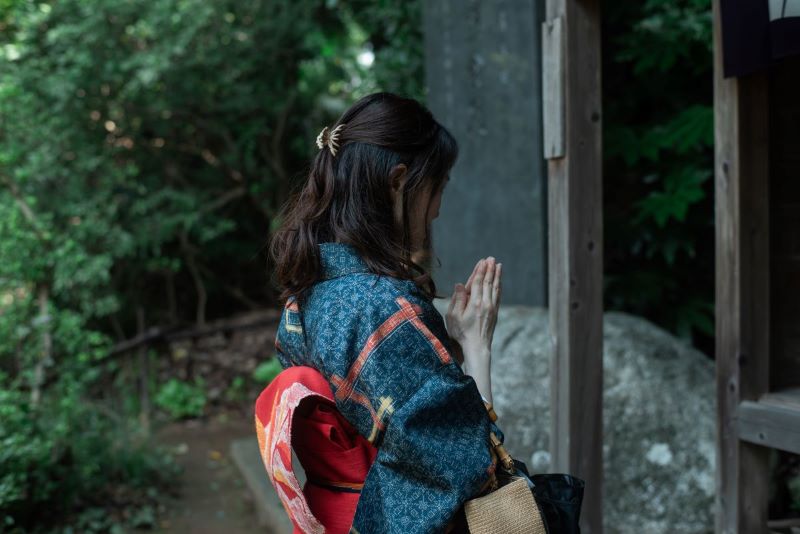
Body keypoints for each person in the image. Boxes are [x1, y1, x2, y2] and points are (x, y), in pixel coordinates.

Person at [264, 91, 505, 533]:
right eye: (439, 187)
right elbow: (472, 467)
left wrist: (443, 344)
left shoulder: (308, 293)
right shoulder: (383, 309)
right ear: (398, 181)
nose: (438, 209)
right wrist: (476, 348)